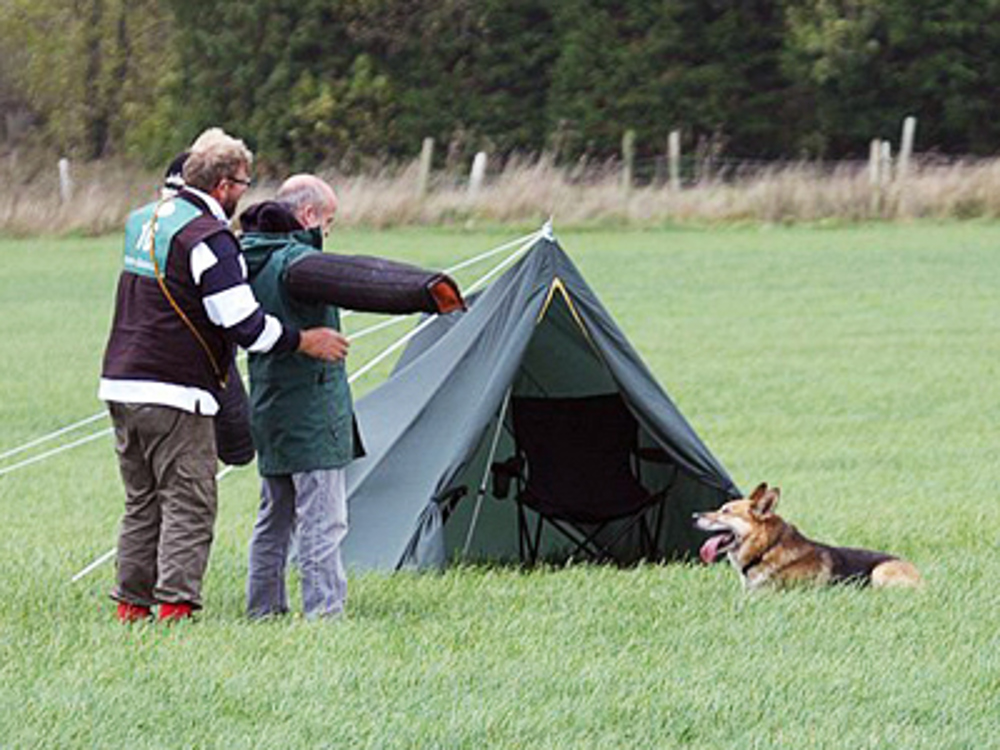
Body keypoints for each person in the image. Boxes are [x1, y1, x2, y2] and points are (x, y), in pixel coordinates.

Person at [99, 130, 348, 623]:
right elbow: (243, 323)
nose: (245, 193)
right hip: (176, 390)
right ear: (221, 186)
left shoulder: (143, 221)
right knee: (189, 501)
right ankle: (175, 609)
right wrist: (305, 339)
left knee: (142, 500)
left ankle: (132, 606)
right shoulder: (208, 238)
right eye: (242, 183)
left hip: (120, 381)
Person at [240, 174, 465, 619]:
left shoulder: (251, 259)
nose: (328, 231)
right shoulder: (294, 263)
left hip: (269, 407)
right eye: (328, 220)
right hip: (309, 411)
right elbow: (356, 279)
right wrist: (427, 291)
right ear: (306, 216)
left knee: (276, 518)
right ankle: (324, 614)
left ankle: (263, 611)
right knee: (323, 520)